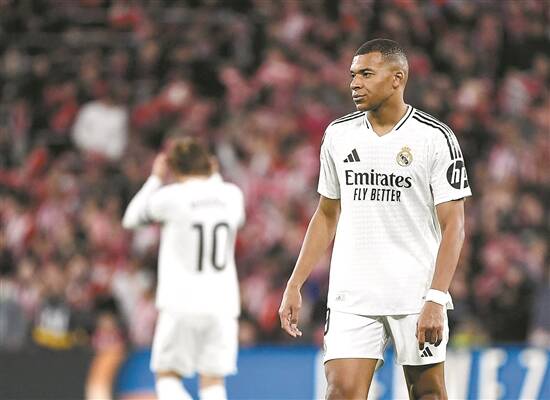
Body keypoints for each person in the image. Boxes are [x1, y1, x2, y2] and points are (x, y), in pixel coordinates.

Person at [279, 38, 471, 399]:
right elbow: (326, 214)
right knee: (340, 392)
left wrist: (436, 296)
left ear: (397, 78)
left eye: (366, 74)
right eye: (353, 75)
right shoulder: (338, 135)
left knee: (428, 393)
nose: (355, 83)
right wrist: (295, 283)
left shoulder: (434, 138)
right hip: (353, 293)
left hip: (414, 292)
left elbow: (454, 225)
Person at [122, 138, 245, 400]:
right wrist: (213, 174)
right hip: (223, 303)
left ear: (174, 168)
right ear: (209, 164)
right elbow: (235, 215)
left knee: (167, 377)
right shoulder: (231, 195)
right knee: (213, 382)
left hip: (181, 302)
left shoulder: (171, 197)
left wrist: (155, 178)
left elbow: (131, 218)